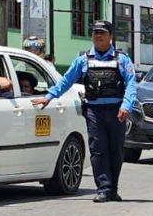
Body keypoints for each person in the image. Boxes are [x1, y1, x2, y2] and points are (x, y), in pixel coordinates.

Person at [32, 20, 136, 203]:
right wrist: (49, 97)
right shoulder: (83, 59)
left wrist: (126, 106)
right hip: (94, 111)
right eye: (95, 33)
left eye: (102, 33)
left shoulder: (122, 59)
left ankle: (113, 188)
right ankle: (103, 188)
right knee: (98, 150)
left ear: (110, 36)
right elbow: (66, 80)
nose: (98, 36)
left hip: (117, 112)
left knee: (116, 151)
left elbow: (131, 84)